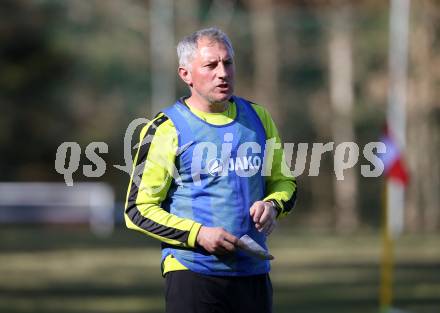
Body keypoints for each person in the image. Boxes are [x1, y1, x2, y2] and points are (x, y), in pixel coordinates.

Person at [124, 27, 297, 313]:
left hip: (252, 273)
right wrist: (198, 234)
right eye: (211, 65)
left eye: (227, 62)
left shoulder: (257, 117)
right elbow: (137, 209)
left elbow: (285, 182)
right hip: (192, 272)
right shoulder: (165, 129)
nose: (223, 72)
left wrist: (273, 205)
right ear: (186, 75)